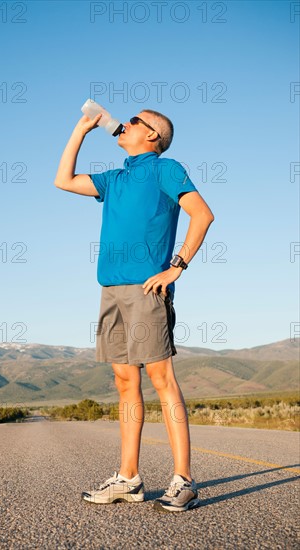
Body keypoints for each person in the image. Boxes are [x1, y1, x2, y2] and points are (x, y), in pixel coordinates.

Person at [54, 107, 214, 512]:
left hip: (147, 289)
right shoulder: (115, 178)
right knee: (125, 382)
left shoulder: (165, 168)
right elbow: (63, 180)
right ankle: (129, 479)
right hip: (111, 290)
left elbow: (203, 214)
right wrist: (81, 129)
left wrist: (176, 267)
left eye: (136, 121)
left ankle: (184, 481)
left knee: (161, 379)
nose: (126, 123)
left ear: (153, 136)